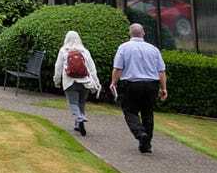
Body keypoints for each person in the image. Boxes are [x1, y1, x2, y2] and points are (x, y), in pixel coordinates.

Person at [110, 23, 167, 154]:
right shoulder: (153, 49)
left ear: (130, 34)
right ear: (143, 33)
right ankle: (146, 143)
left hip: (131, 83)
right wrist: (164, 88)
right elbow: (161, 71)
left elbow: (118, 68)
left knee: (130, 111)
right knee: (148, 113)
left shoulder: (124, 48)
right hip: (151, 84)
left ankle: (140, 133)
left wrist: (114, 82)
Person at [53, 30, 101, 136]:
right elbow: (92, 68)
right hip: (85, 82)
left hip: (70, 81)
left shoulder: (63, 50)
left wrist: (57, 81)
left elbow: (58, 67)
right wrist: (96, 82)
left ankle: (79, 118)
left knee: (73, 103)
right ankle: (78, 124)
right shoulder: (84, 51)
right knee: (81, 103)